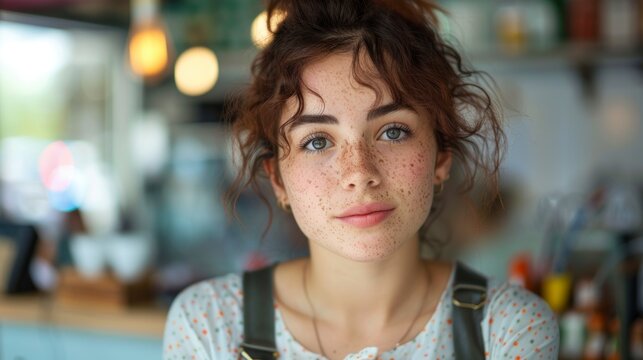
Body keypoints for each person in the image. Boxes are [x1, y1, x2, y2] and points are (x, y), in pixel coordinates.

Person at [163, 0, 560, 359]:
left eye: (392, 131)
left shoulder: (507, 330)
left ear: (441, 157)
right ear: (278, 179)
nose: (359, 174)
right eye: (317, 141)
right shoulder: (211, 327)